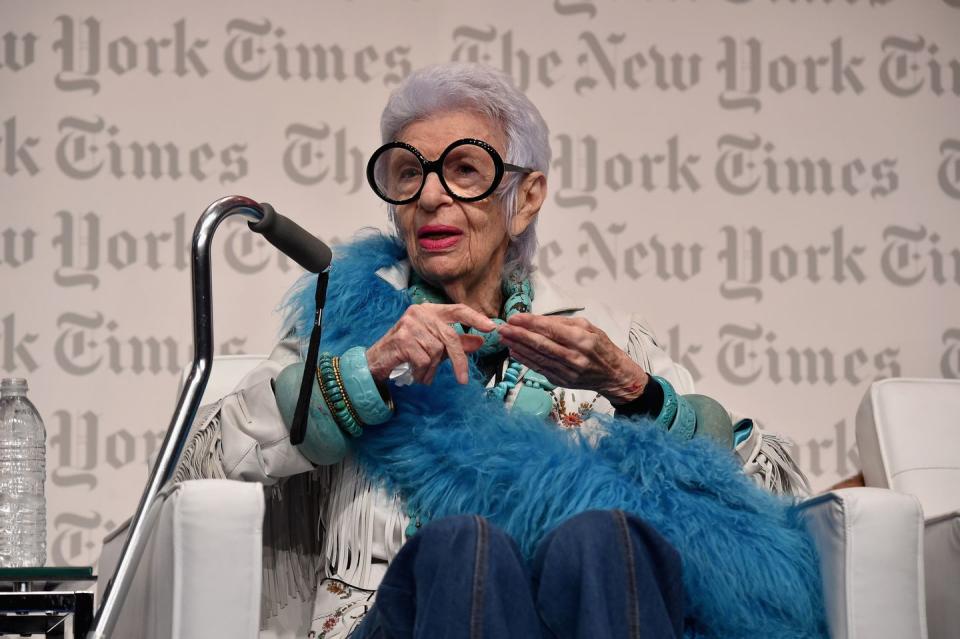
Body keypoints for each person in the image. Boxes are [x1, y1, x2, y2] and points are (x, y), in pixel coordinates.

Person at [175, 63, 821, 639]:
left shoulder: (606, 338)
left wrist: (634, 389)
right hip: (400, 617)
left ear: (527, 197)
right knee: (465, 547)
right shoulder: (347, 321)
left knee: (604, 539)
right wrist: (367, 370)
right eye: (408, 172)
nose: (430, 195)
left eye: (462, 168)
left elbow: (754, 500)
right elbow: (201, 465)